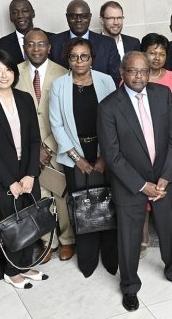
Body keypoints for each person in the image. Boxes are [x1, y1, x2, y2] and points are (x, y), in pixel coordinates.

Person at [98, 52, 172, 311]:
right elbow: (112, 155)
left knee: (169, 231)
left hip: (163, 179)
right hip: (130, 184)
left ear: (150, 72)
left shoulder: (162, 95)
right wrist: (141, 185)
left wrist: (165, 176)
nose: (138, 76)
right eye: (132, 71)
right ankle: (129, 286)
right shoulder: (108, 106)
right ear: (122, 72)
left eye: (143, 71)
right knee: (128, 238)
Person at [0, 50, 48, 289]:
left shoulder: (25, 98)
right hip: (3, 179)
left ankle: (24, 266)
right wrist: (11, 182)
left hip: (28, 173)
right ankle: (11, 271)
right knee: (13, 226)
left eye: (8, 70)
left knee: (31, 222)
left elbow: (34, 140)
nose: (3, 75)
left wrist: (30, 174)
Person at [49, 38, 120, 277]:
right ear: (67, 60)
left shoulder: (106, 80)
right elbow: (56, 125)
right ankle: (88, 260)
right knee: (82, 205)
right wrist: (77, 158)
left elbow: (115, 120)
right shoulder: (59, 85)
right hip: (74, 155)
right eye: (74, 56)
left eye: (84, 56)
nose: (79, 61)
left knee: (108, 204)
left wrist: (105, 157)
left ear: (92, 58)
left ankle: (111, 258)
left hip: (105, 152)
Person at [17, 28, 74, 262]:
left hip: (57, 146)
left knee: (61, 194)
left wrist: (48, 146)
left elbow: (66, 114)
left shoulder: (63, 73)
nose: (36, 49)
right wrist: (34, 149)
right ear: (24, 47)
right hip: (29, 148)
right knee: (39, 196)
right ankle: (47, 241)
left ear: (49, 47)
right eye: (31, 44)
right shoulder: (14, 73)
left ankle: (68, 240)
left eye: (41, 44)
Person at [141, 33, 172, 257]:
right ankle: (144, 236)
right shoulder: (135, 77)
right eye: (152, 52)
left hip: (168, 145)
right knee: (142, 189)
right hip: (142, 146)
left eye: (161, 53)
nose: (157, 57)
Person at [50, 0, 121, 83]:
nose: (78, 20)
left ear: (90, 16)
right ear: (67, 17)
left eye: (83, 16)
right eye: (73, 16)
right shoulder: (54, 42)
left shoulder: (107, 44)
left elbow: (115, 79)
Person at [0, 0, 38, 64]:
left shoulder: (51, 39)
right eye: (15, 12)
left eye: (24, 11)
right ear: (10, 17)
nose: (20, 16)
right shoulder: (1, 45)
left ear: (33, 13)